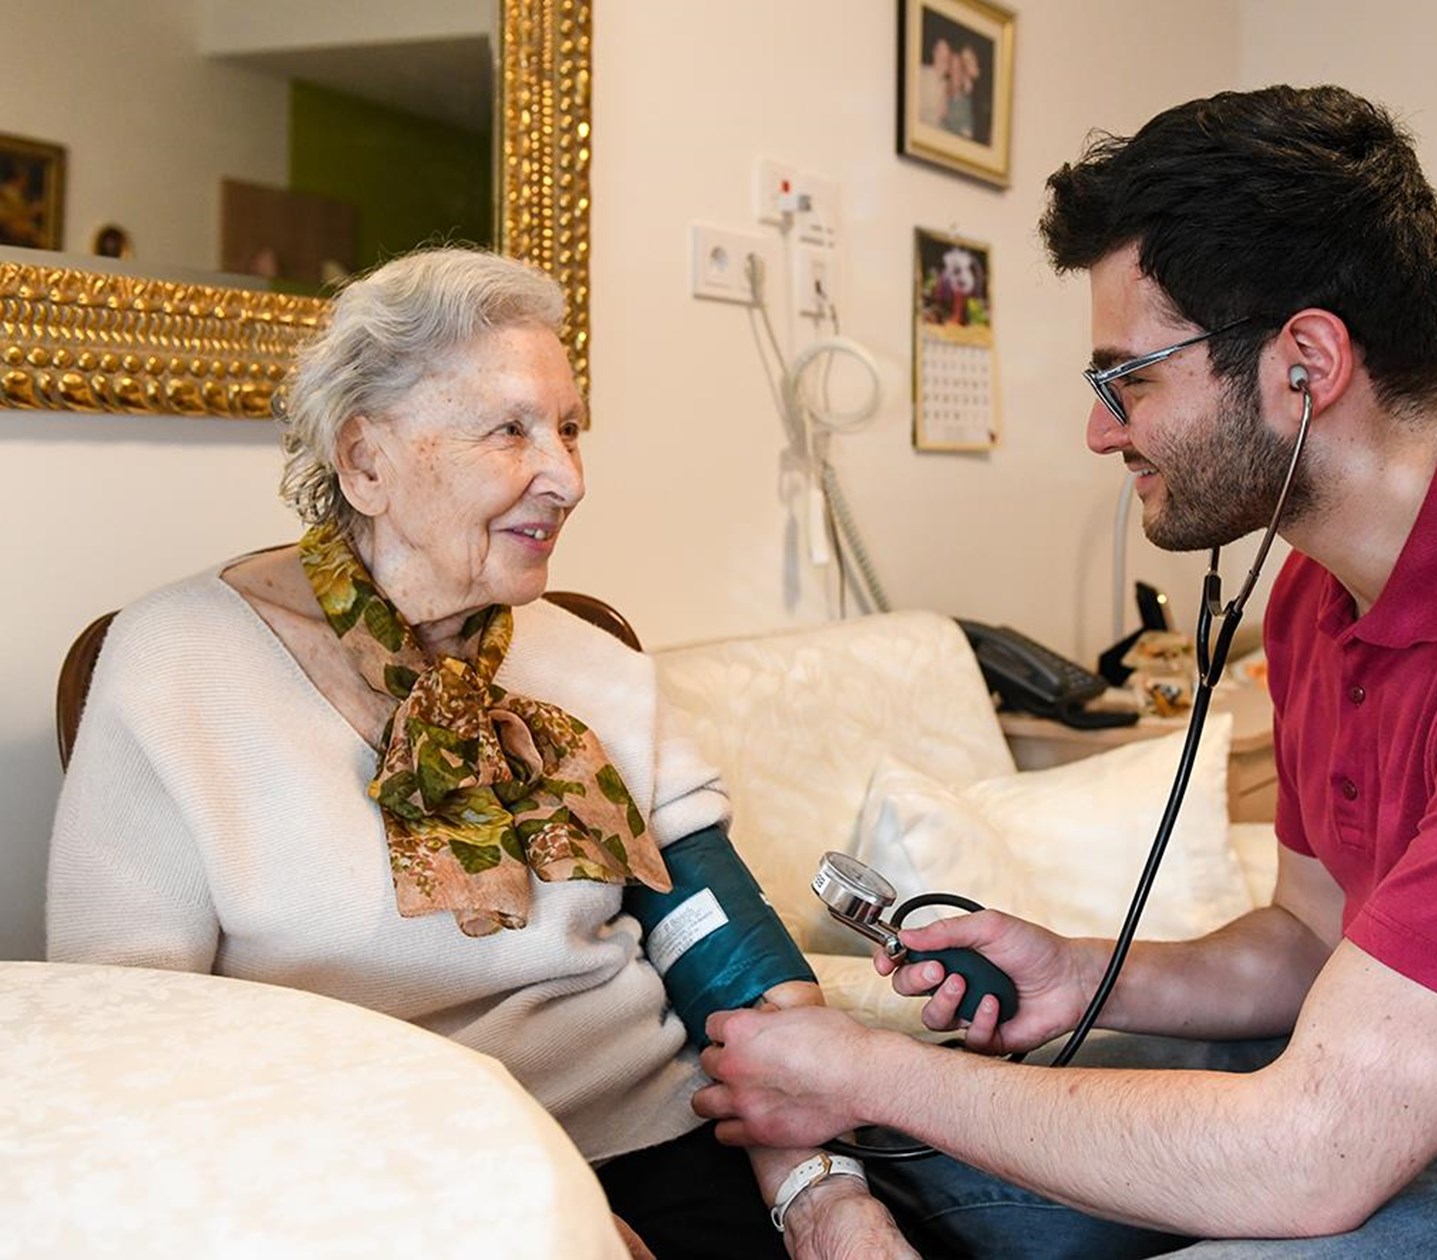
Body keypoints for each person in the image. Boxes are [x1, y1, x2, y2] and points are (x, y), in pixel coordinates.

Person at [691, 86, 1437, 1256]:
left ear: (1305, 363)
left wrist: (872, 1062)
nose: (1099, 430)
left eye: (1128, 379)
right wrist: (1083, 976)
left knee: (905, 1108)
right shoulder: (1322, 591)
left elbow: (1311, 1153)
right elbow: (1309, 936)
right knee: (909, 1175)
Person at [46, 247, 915, 1260]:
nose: (569, 477)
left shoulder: (593, 663)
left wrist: (822, 1196)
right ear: (366, 461)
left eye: (571, 427)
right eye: (511, 431)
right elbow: (133, 1046)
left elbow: (715, 945)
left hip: (672, 1138)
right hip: (379, 1188)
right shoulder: (177, 669)